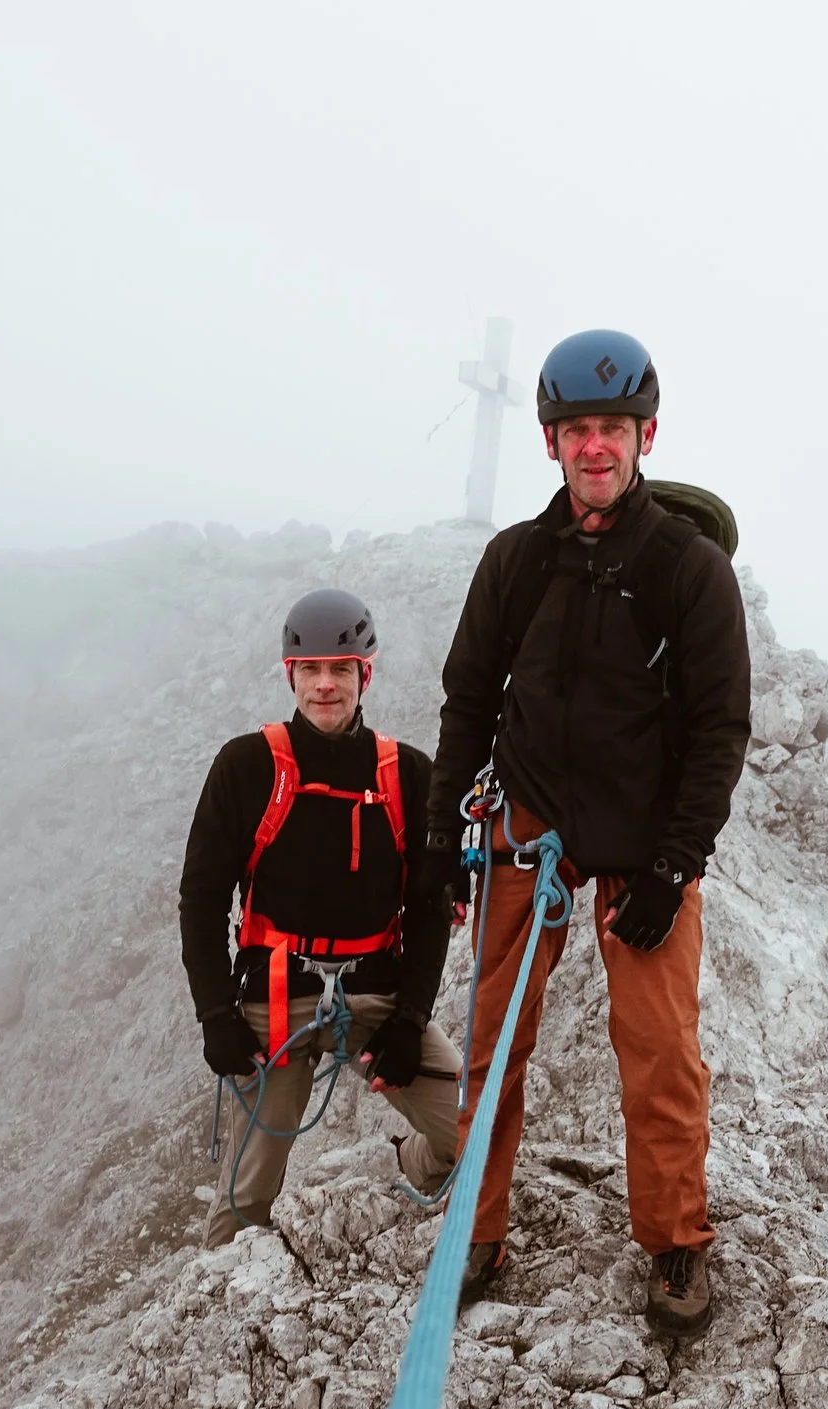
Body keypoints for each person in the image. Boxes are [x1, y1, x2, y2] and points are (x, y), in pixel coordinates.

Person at [424, 328, 751, 1335]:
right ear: (550, 443)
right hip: (527, 833)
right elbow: (469, 699)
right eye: (575, 431)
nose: (594, 447)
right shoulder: (517, 562)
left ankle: (673, 1244)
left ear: (644, 434)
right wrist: (443, 835)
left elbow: (717, 730)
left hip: (642, 851)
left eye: (610, 428)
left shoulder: (689, 571)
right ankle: (474, 1232)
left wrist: (671, 867)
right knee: (491, 1042)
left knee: (659, 1053)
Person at [178, 588, 463, 1249]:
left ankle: (406, 1168)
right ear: (291, 674)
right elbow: (201, 896)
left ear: (368, 672)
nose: (326, 685)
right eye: (311, 670)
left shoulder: (408, 774)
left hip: (377, 992)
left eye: (342, 669)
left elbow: (427, 909)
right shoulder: (247, 766)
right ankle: (217, 1302)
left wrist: (410, 1020)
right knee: (245, 1198)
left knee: (475, 1134)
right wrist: (215, 1015)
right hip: (275, 1000)